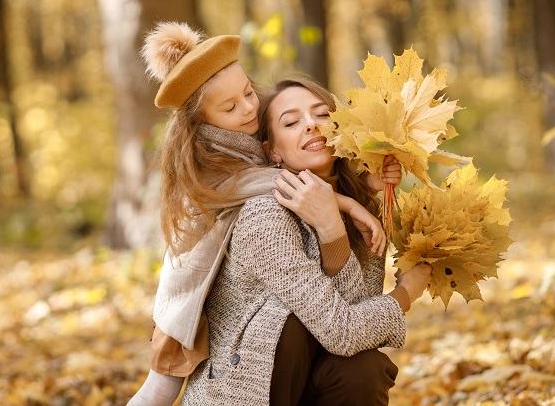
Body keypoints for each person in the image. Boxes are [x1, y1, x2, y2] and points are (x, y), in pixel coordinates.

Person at [128, 23, 399, 406]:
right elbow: (262, 183)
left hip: (299, 350)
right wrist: (341, 204)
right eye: (230, 107)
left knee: (362, 366)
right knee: (160, 386)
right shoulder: (214, 164)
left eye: (248, 93)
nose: (248, 108)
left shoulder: (257, 143)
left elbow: (359, 313)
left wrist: (361, 192)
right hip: (190, 303)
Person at [180, 77, 432, 405]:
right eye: (291, 122)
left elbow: (358, 328)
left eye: (322, 115)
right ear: (272, 151)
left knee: (364, 368)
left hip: (308, 379)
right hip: (242, 389)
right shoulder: (263, 214)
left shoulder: (362, 212)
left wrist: (338, 227)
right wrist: (406, 293)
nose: (312, 125)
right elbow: (344, 331)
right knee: (290, 321)